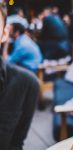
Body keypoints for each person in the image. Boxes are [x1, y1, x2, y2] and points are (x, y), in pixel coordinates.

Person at [0, 3, 40, 150]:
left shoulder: (26, 84)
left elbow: (9, 60)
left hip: (30, 69)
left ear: (7, 34)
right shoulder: (24, 41)